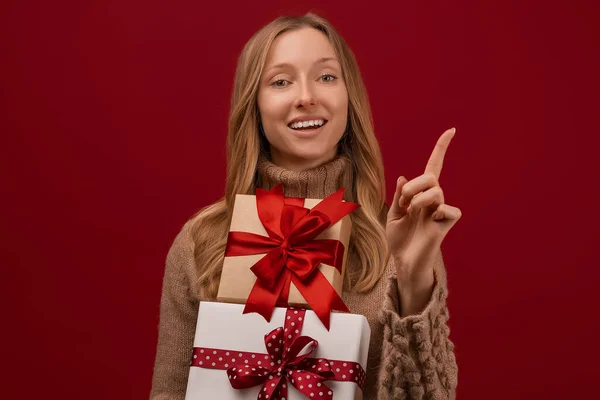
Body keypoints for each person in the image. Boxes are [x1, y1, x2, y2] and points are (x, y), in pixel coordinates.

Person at [150, 12, 461, 400]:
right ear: (255, 105)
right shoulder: (201, 242)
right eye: (281, 81)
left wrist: (414, 278)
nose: (306, 96)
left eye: (326, 77)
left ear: (350, 97)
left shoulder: (401, 238)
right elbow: (169, 392)